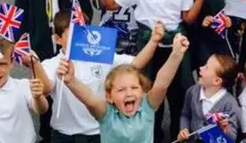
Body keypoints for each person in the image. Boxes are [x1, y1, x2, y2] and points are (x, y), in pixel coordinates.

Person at [92, 0, 198, 142]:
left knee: (178, 91)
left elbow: (187, 17)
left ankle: (178, 133)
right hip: (148, 44)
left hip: (174, 43)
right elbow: (112, 4)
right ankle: (151, 135)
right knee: (146, 91)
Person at [14, 0, 93, 142]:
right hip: (40, 48)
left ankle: (75, 128)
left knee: (69, 90)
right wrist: (21, 49)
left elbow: (87, 14)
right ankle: (47, 133)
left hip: (68, 47)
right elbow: (18, 19)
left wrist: (80, 20)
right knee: (43, 92)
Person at [41, 10, 163, 142]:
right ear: (57, 39)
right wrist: (35, 64)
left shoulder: (101, 55)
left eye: (83, 31)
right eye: (72, 34)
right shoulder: (51, 64)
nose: (79, 36)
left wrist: (154, 40)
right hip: (65, 135)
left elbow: (136, 63)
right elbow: (46, 88)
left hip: (98, 132)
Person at [56, 34, 190, 143]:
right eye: (121, 90)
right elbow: (90, 99)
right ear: (109, 96)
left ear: (143, 91)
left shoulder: (148, 107)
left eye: (134, 87)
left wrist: (176, 55)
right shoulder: (106, 114)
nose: (129, 93)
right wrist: (71, 81)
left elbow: (161, 83)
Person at [178, 54, 240, 142]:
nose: (200, 67)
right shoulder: (192, 91)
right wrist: (184, 128)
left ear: (217, 81)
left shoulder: (230, 104)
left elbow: (232, 138)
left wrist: (224, 129)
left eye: (206, 67)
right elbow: (185, 115)